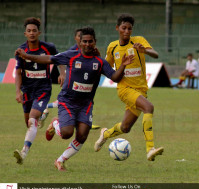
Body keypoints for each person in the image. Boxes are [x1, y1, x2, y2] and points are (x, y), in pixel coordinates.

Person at [15, 26, 134, 171]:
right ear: (80, 42)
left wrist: (123, 65)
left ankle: (60, 160)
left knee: (82, 135)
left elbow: (115, 77)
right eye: (85, 41)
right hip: (67, 101)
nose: (88, 44)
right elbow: (47, 59)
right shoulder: (71, 56)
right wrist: (27, 56)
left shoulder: (100, 62)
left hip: (86, 104)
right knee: (66, 133)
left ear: (95, 42)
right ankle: (55, 124)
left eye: (90, 41)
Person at [94, 13, 164, 161]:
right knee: (149, 108)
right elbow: (106, 67)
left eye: (129, 29)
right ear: (117, 28)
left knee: (126, 128)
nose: (126, 31)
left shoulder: (139, 41)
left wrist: (144, 50)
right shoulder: (112, 47)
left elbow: (155, 54)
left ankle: (105, 134)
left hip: (141, 91)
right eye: (124, 28)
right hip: (124, 90)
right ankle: (150, 149)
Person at [13, 17, 63, 165]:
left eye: (34, 30)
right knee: (28, 123)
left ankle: (23, 153)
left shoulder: (48, 47)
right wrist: (17, 91)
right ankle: (42, 116)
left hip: (43, 88)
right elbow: (18, 73)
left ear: (39, 32)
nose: (32, 33)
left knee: (32, 120)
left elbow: (60, 59)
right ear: (25, 34)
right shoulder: (21, 51)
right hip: (28, 89)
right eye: (29, 31)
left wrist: (62, 73)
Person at [38, 28, 101, 130]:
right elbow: (59, 58)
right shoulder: (73, 50)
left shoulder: (90, 49)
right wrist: (62, 73)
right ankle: (53, 114)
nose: (83, 39)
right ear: (76, 38)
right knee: (68, 100)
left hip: (85, 81)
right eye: (79, 36)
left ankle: (83, 120)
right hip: (72, 79)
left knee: (81, 99)